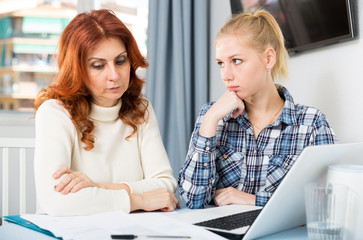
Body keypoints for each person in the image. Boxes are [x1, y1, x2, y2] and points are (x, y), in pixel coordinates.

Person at [178, 9, 337, 209]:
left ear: (268, 59)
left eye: (236, 60)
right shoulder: (213, 116)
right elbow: (192, 200)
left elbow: (328, 203)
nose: (225, 75)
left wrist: (253, 200)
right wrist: (209, 121)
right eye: (221, 63)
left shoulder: (311, 124)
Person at [34, 9, 179, 216]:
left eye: (120, 61)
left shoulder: (140, 107)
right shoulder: (54, 113)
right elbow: (57, 202)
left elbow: (165, 185)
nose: (114, 75)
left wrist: (97, 187)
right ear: (77, 70)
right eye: (98, 65)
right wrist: (139, 199)